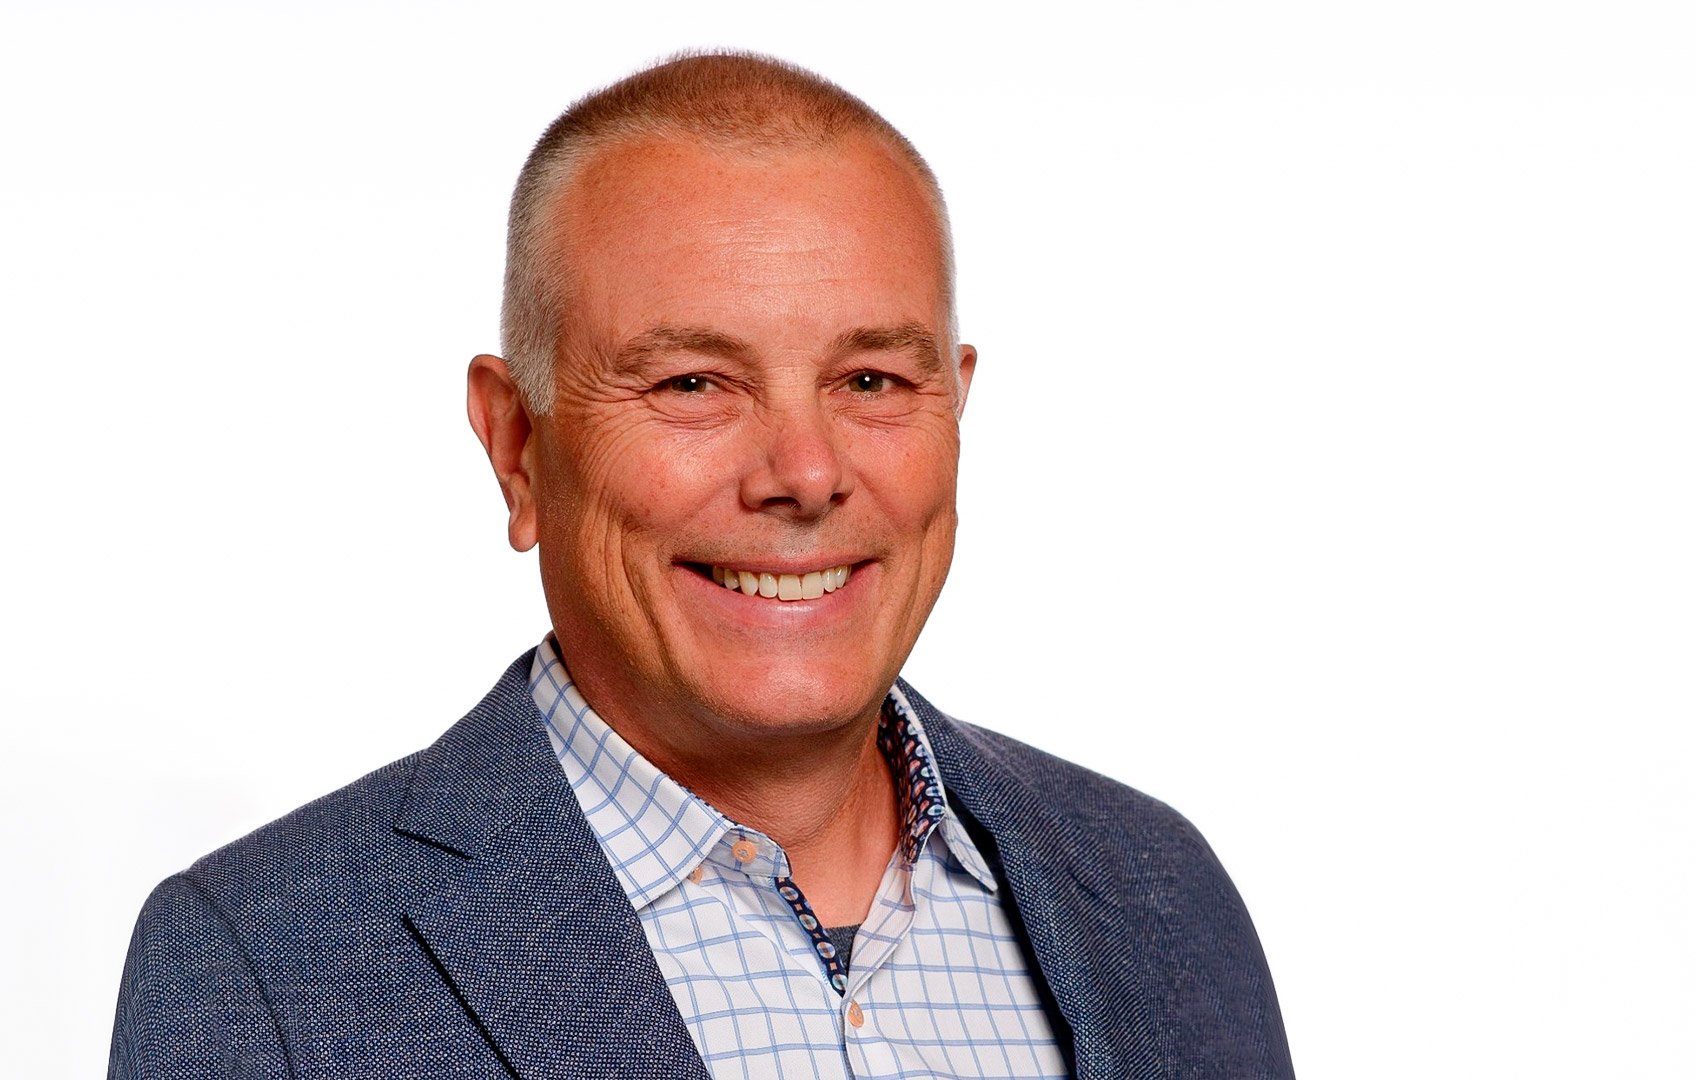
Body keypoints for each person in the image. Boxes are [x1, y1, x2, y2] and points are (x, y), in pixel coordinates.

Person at [109, 52, 1293, 1080]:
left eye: (872, 380)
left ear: (957, 405)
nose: (806, 473)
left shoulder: (1159, 894)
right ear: (516, 446)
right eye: (692, 384)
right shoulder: (269, 966)